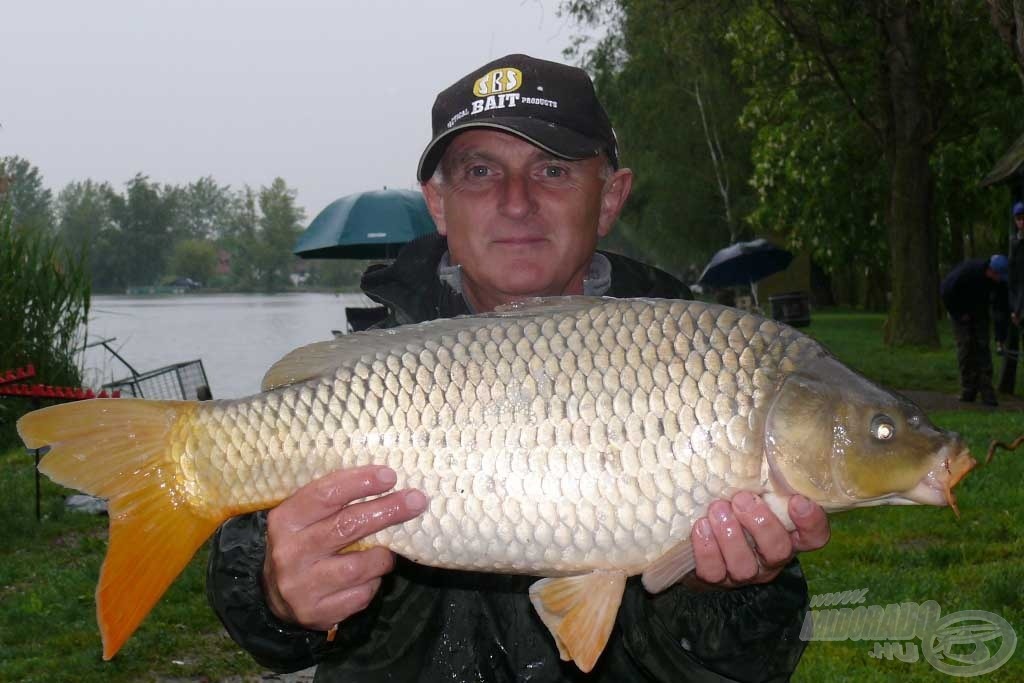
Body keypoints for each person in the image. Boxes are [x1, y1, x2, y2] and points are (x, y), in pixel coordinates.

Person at [207, 54, 830, 682]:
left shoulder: (710, 370)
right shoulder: (367, 384)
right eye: (480, 172)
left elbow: (753, 660)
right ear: (439, 204)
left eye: (552, 170)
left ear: (611, 197)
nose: (516, 202)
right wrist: (275, 593)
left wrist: (726, 591)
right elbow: (263, 626)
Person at [940, 254, 1010, 407]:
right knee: (966, 347)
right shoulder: (968, 272)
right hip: (959, 309)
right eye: (998, 276)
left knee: (982, 348)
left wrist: (1000, 337)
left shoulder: (999, 283)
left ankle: (987, 392)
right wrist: (958, 313)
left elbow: (1000, 309)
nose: (1000, 280)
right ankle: (968, 389)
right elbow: (946, 291)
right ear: (991, 271)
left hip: (980, 311)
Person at [1009, 202, 1024, 330]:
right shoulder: (1014, 242)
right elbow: (1015, 278)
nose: (1021, 222)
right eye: (1019, 219)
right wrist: (1016, 309)